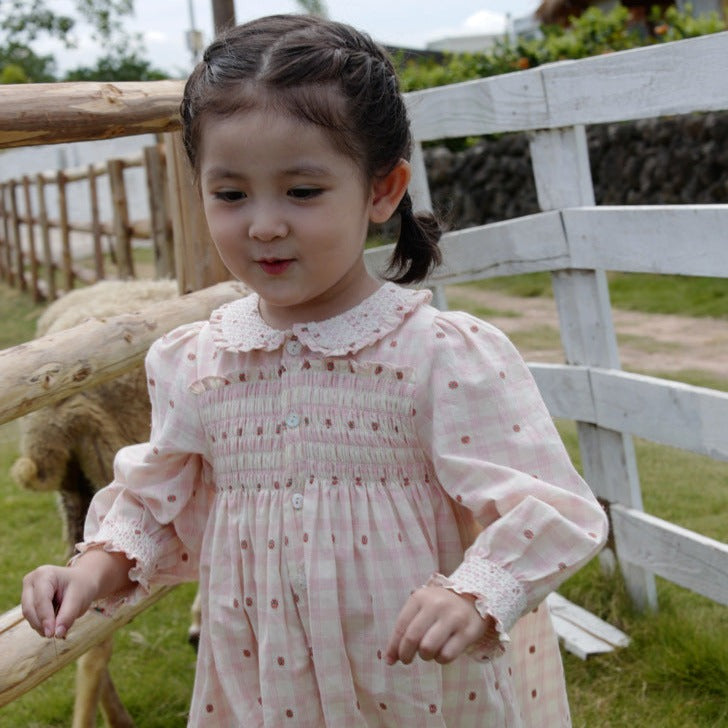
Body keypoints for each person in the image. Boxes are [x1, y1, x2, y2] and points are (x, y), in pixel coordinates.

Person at [22, 14, 608, 727]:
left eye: (302, 192)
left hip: (415, 681)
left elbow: (550, 507)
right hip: (265, 681)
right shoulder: (197, 362)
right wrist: (87, 571)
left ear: (383, 191)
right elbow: (153, 505)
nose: (264, 223)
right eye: (232, 194)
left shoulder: (438, 354)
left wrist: (475, 590)